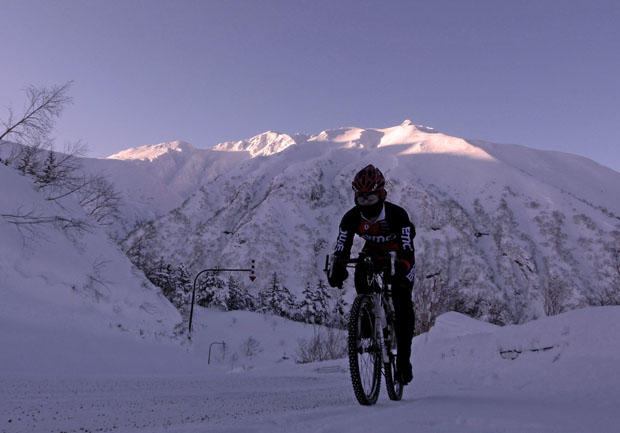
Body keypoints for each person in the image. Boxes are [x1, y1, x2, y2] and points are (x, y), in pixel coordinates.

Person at [327, 164, 416, 385]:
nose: (366, 204)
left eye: (371, 198)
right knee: (360, 270)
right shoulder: (351, 218)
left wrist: (402, 273)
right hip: (373, 253)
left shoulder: (398, 215)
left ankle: (404, 361)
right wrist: (337, 268)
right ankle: (368, 320)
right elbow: (342, 247)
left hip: (398, 254)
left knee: (402, 300)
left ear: (382, 194)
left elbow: (407, 248)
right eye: (361, 199)